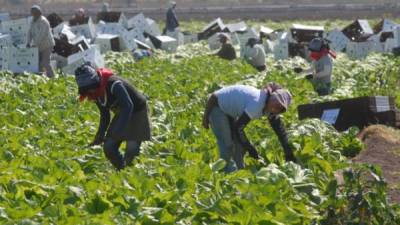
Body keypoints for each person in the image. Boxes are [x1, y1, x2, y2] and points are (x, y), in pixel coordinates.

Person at [202, 83, 296, 173]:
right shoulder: (257, 103)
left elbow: (279, 130)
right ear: (271, 97)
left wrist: (288, 152)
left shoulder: (270, 106)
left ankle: (239, 173)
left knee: (239, 146)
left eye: (279, 108)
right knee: (227, 145)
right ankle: (227, 174)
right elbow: (238, 128)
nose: (274, 108)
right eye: (275, 102)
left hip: (229, 111)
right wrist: (251, 149)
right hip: (216, 107)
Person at [74, 63, 151, 170]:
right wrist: (100, 135)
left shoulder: (114, 84)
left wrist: (118, 132)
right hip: (122, 112)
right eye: (87, 90)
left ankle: (131, 171)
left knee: (131, 150)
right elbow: (105, 115)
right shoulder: (94, 93)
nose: (90, 91)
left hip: (137, 111)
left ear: (96, 82)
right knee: (109, 147)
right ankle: (121, 169)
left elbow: (128, 106)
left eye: (91, 88)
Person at [27, 5, 55, 78]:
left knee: (45, 63)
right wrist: (28, 42)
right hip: (38, 46)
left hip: (47, 45)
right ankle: (40, 78)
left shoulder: (43, 21)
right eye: (32, 13)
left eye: (35, 13)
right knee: (38, 63)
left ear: (39, 13)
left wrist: (34, 44)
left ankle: (52, 78)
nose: (33, 14)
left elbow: (41, 35)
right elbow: (29, 32)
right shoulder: (32, 21)